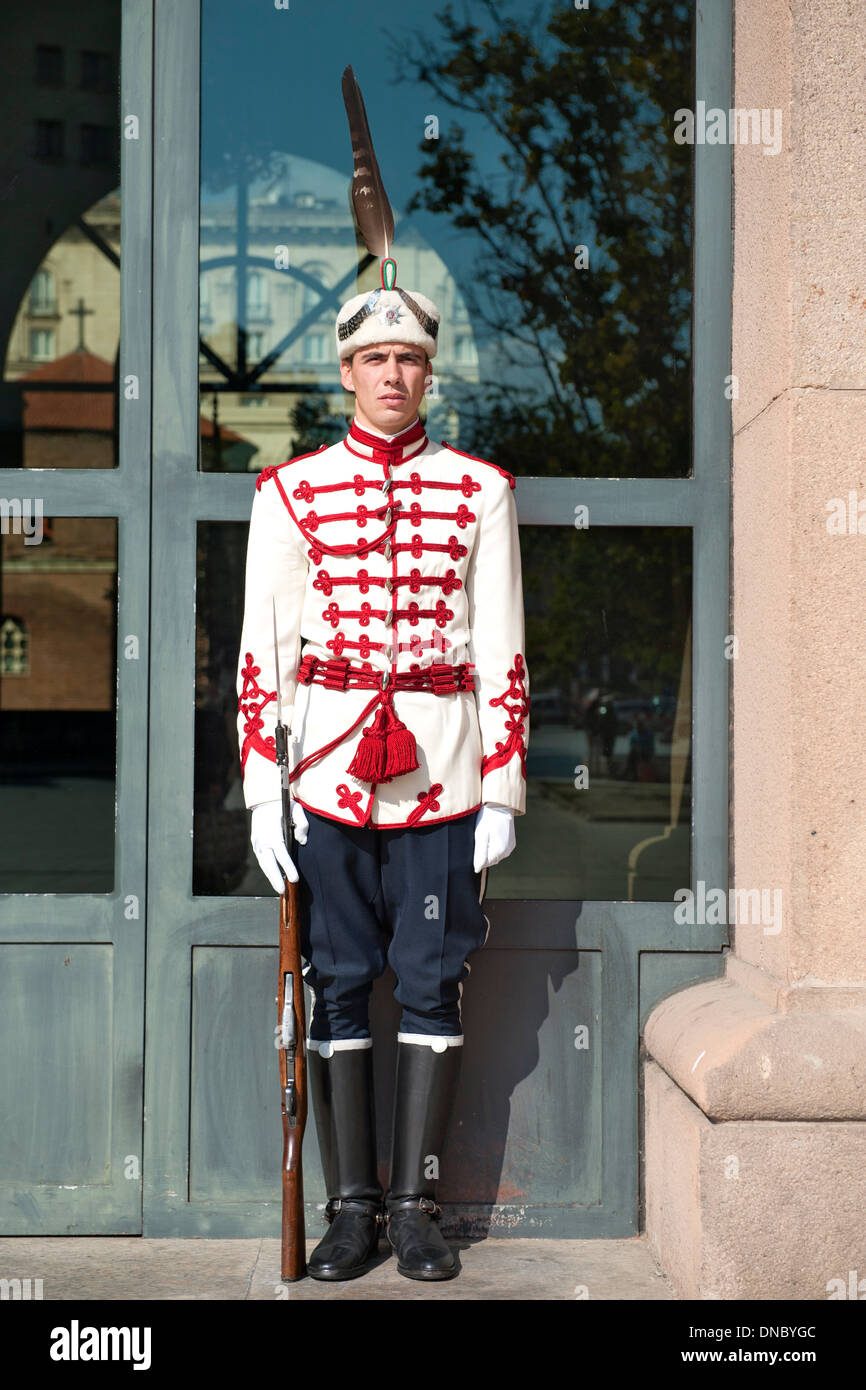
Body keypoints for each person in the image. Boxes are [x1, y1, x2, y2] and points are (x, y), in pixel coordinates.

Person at [236, 274, 529, 1281]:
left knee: (432, 979)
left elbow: (502, 648)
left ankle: (415, 1210)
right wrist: (261, 789)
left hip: (443, 774)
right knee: (337, 981)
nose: (391, 373)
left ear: (428, 372)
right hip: (325, 772)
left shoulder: (480, 490)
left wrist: (502, 785)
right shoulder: (289, 492)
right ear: (348, 371)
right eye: (374, 359)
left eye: (407, 358)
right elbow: (263, 654)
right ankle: (349, 1210)